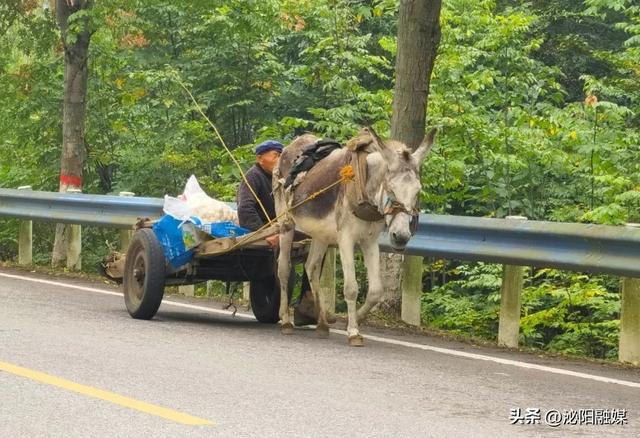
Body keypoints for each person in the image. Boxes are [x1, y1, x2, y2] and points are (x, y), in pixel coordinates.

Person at [236, 139, 333, 326]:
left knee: (317, 244)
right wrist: (265, 234)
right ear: (260, 158)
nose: (279, 159)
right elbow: (245, 210)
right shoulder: (252, 177)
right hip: (265, 228)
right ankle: (285, 301)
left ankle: (307, 299)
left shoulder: (286, 177)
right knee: (284, 250)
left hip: (285, 226)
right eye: (275, 155)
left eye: (282, 155)